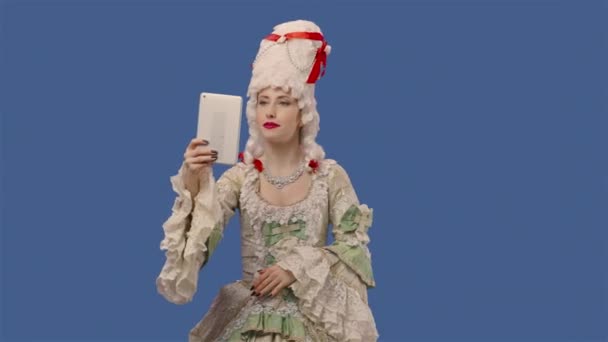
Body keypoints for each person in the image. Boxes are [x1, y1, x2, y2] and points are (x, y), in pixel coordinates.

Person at [156, 19, 379, 341]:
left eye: (283, 101)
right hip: (249, 319)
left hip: (311, 322)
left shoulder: (329, 176)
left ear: (303, 111)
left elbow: (353, 250)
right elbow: (200, 243)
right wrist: (194, 178)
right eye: (263, 101)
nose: (270, 111)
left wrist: (296, 268)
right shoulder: (240, 179)